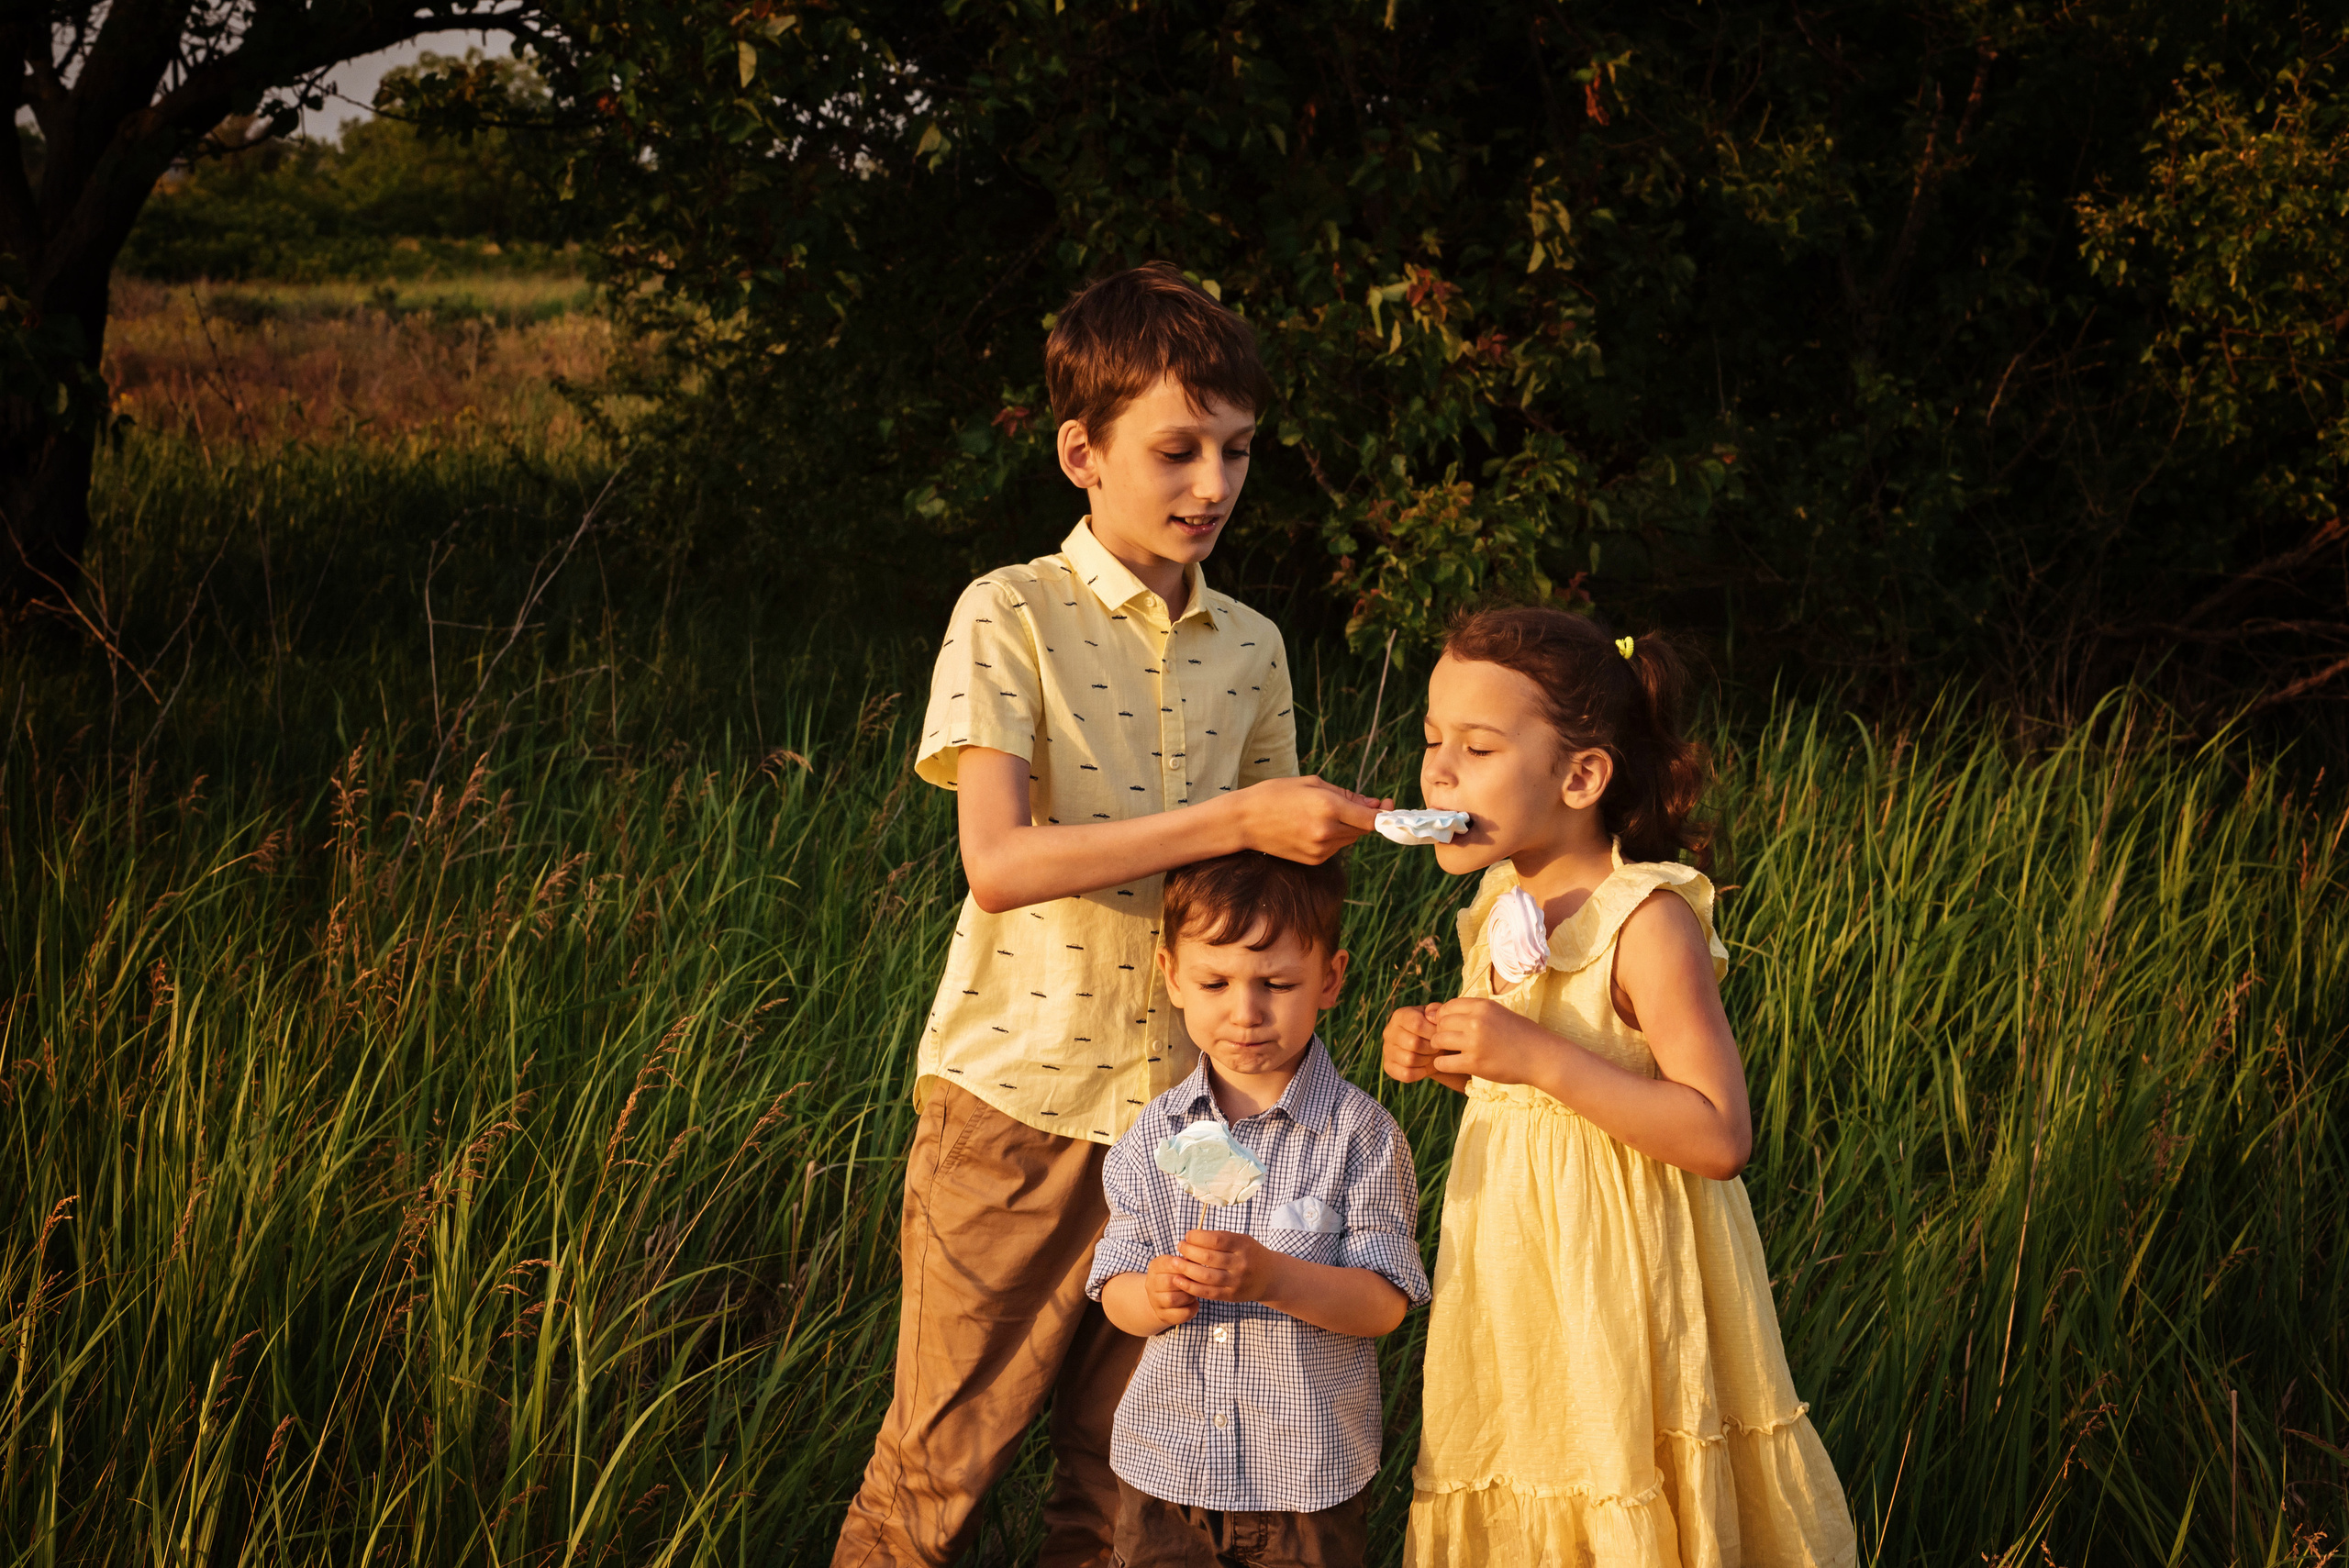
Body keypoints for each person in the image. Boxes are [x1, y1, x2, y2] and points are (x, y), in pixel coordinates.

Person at [832, 263, 1388, 1568]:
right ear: (1082, 451)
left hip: (1195, 1126)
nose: (1214, 485)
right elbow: (1001, 861)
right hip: (1016, 1104)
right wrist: (1240, 820)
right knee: (940, 1468)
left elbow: (1259, 900)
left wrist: (1391, 829)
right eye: (1177, 449)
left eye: (1238, 451)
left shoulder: (1252, 645)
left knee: (1144, 1490)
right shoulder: (1008, 612)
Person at [1382, 606, 1858, 1567]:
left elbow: (1719, 1132)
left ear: (1582, 774)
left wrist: (1539, 1057)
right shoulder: (1494, 904)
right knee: (1530, 1462)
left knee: (1616, 1477)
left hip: (1623, 1291)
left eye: (1475, 748)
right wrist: (1439, 1049)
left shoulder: (1645, 921)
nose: (1436, 774)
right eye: (1432, 740)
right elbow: (1514, 1091)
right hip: (1517, 1281)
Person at [1089, 850, 1431, 1568]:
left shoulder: (1360, 1135)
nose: (1245, 1012)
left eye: (1277, 983)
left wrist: (1273, 1277)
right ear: (1173, 975)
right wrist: (1152, 1294)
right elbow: (1114, 1287)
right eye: (1215, 981)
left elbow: (1384, 1303)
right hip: (1167, 1473)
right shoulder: (1158, 1133)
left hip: (1307, 1482)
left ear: (1329, 980)